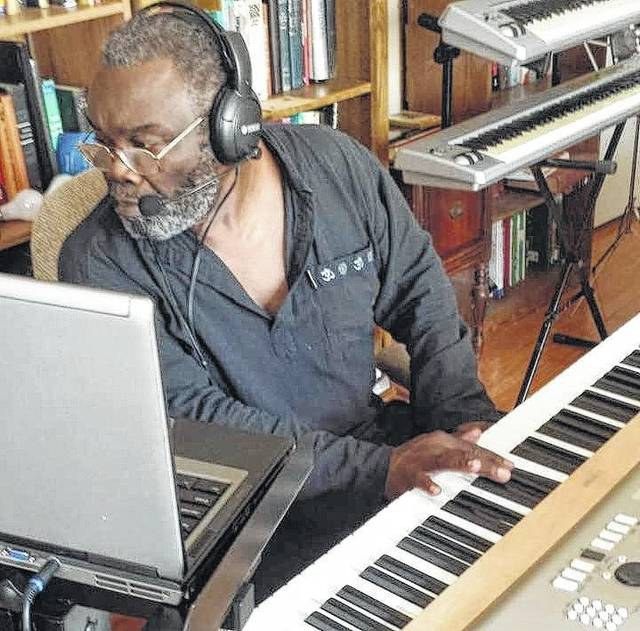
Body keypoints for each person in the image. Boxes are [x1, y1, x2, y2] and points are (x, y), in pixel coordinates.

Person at [59, 4, 513, 598]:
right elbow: (195, 419)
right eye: (103, 142)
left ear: (230, 128)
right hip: (246, 516)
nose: (118, 172)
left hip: (378, 455)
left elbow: (420, 294)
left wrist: (462, 419)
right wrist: (380, 469)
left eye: (144, 145)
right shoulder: (97, 262)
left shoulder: (337, 167)